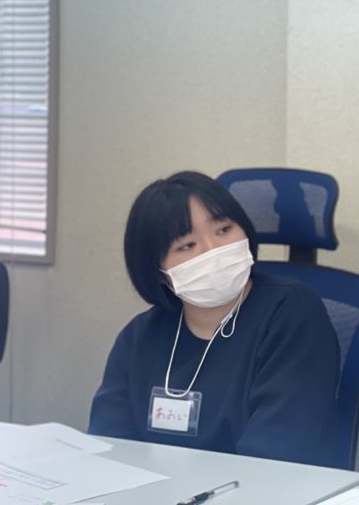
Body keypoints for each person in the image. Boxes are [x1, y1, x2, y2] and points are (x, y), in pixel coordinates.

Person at [89, 171, 339, 466]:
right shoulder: (139, 337)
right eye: (187, 245)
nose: (213, 250)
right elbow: (110, 448)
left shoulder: (292, 313)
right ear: (158, 272)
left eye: (223, 229)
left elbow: (274, 456)